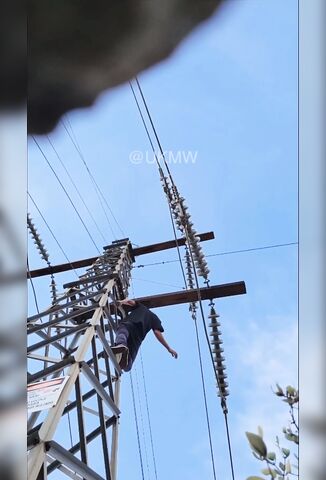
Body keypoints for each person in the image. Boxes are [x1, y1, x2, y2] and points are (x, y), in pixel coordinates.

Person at [111, 298, 178, 371]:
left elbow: (130, 302)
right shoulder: (155, 318)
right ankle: (124, 360)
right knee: (128, 366)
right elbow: (157, 333)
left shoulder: (141, 306)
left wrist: (121, 302)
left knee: (122, 333)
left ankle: (121, 346)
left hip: (129, 325)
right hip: (137, 337)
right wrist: (168, 348)